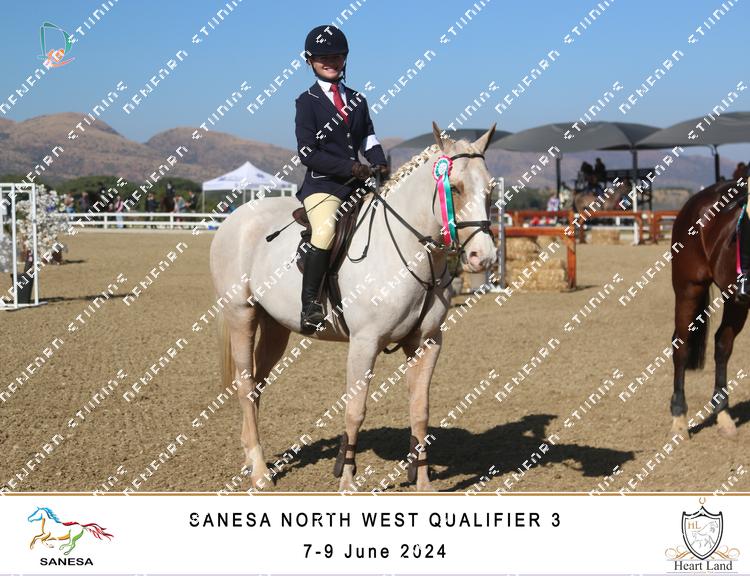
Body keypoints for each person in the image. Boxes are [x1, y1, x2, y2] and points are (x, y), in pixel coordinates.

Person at [294, 24, 388, 335]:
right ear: (310, 61)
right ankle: (310, 305)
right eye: (323, 58)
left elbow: (368, 137)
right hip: (323, 185)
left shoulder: (357, 99)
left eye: (336, 56)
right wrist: (350, 167)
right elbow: (307, 152)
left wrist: (378, 161)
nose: (330, 62)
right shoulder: (306, 101)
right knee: (324, 232)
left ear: (345, 58)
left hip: (357, 185)